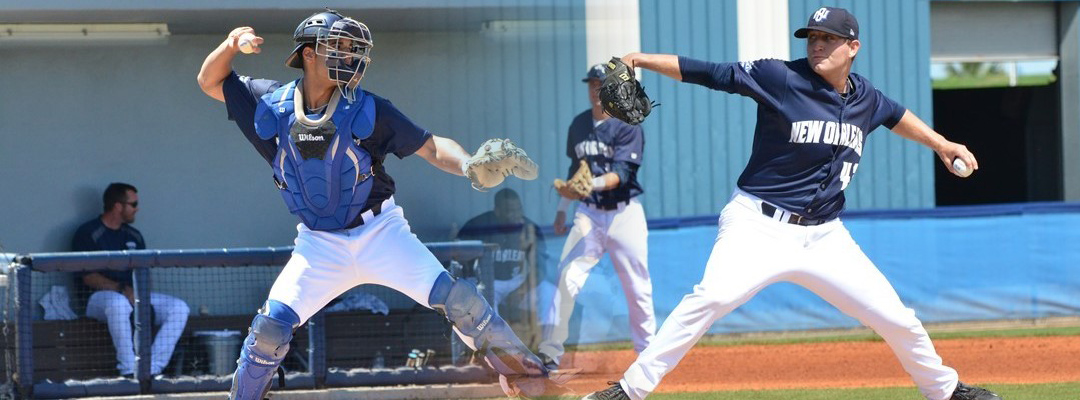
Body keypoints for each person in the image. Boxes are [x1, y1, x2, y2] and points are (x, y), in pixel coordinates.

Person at [582, 7, 1001, 400]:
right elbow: (709, 72)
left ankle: (945, 390)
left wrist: (942, 144)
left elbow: (895, 114)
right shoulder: (779, 76)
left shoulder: (865, 98)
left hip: (825, 236)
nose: (816, 44)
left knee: (897, 317)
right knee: (710, 298)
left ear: (853, 47)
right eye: (812, 37)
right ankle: (629, 390)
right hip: (757, 224)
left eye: (828, 38)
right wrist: (640, 58)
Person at [196, 9, 560, 399]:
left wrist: (469, 163)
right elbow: (209, 80)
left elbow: (432, 146)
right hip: (318, 245)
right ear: (309, 53)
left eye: (354, 50)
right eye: (339, 47)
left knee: (462, 302)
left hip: (380, 232)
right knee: (269, 331)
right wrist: (232, 44)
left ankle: (532, 380)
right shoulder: (270, 103)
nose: (350, 58)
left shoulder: (368, 109)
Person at [540, 64, 657, 370]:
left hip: (624, 214)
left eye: (601, 84)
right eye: (592, 84)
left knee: (637, 285)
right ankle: (549, 353)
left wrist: (590, 183)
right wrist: (562, 209)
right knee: (566, 277)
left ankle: (648, 355)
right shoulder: (579, 124)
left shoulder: (628, 125)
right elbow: (573, 172)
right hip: (588, 213)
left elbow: (622, 174)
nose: (595, 89)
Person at [71, 182, 190, 377]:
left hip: (132, 295)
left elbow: (144, 273)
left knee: (178, 308)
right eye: (133, 204)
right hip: (97, 300)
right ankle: (128, 370)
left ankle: (151, 368)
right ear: (118, 206)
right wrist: (122, 290)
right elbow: (88, 277)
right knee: (119, 304)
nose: (137, 208)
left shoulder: (133, 235)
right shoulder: (88, 233)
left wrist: (139, 294)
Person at [456, 188, 547, 347]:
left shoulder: (529, 228)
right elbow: (459, 259)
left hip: (517, 281)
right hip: (490, 282)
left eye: (518, 209)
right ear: (497, 210)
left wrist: (522, 290)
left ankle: (547, 347)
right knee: (487, 301)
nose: (515, 214)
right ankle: (498, 351)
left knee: (549, 293)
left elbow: (541, 268)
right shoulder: (478, 226)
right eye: (509, 211)